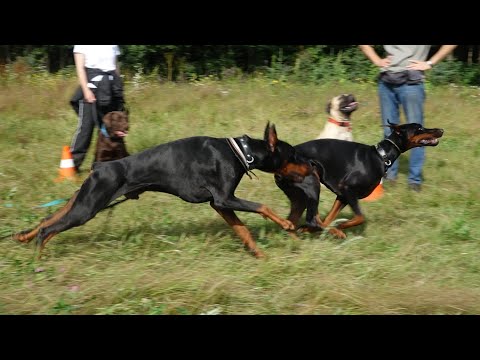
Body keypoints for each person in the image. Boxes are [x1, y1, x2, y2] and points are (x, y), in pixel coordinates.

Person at [359, 45, 457, 192]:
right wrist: (377, 60)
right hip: (386, 81)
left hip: (411, 83)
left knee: (418, 136)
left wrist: (429, 63)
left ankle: (414, 180)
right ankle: (389, 174)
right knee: (389, 133)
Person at [69, 45, 127, 172]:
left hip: (111, 89)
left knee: (112, 129)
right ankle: (72, 165)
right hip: (92, 88)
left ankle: (113, 161)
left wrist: (119, 90)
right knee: (86, 128)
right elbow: (80, 68)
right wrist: (86, 91)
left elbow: (115, 67)